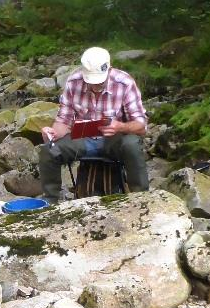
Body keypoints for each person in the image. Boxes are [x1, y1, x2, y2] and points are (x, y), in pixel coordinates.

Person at [39, 46, 149, 202]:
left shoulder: (124, 83)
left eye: (99, 83)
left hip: (115, 139)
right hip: (83, 139)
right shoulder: (74, 82)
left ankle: (141, 199)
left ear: (109, 70)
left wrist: (120, 126)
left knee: (132, 144)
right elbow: (63, 121)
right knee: (49, 150)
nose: (95, 87)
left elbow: (141, 125)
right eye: (91, 82)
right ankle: (49, 202)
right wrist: (52, 133)